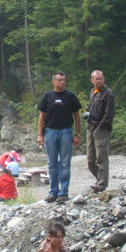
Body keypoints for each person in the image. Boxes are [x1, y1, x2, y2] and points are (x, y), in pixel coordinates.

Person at [37, 71, 82, 203]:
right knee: (52, 163)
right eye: (59, 80)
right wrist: (40, 134)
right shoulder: (47, 96)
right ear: (53, 81)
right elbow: (41, 116)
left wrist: (77, 134)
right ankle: (53, 192)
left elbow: (77, 116)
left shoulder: (70, 96)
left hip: (66, 132)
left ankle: (64, 192)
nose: (62, 82)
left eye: (63, 80)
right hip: (50, 132)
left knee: (65, 163)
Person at [86, 70, 115, 191]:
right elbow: (91, 108)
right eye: (97, 79)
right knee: (90, 159)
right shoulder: (93, 92)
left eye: (101, 78)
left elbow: (110, 113)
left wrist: (100, 127)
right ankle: (98, 179)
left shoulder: (108, 93)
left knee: (101, 157)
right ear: (92, 80)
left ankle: (102, 184)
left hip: (101, 129)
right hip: (90, 127)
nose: (99, 81)